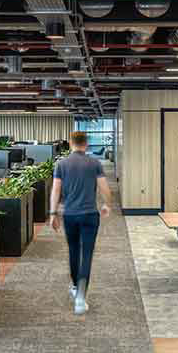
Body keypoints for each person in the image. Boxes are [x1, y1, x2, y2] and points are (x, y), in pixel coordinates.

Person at [49, 131, 112, 315]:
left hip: (70, 215)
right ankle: (81, 297)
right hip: (90, 215)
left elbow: (55, 190)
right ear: (86, 144)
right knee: (87, 254)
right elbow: (104, 188)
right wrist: (107, 204)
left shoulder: (61, 164)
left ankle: (77, 287)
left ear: (71, 144)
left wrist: (53, 213)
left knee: (74, 251)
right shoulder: (94, 163)